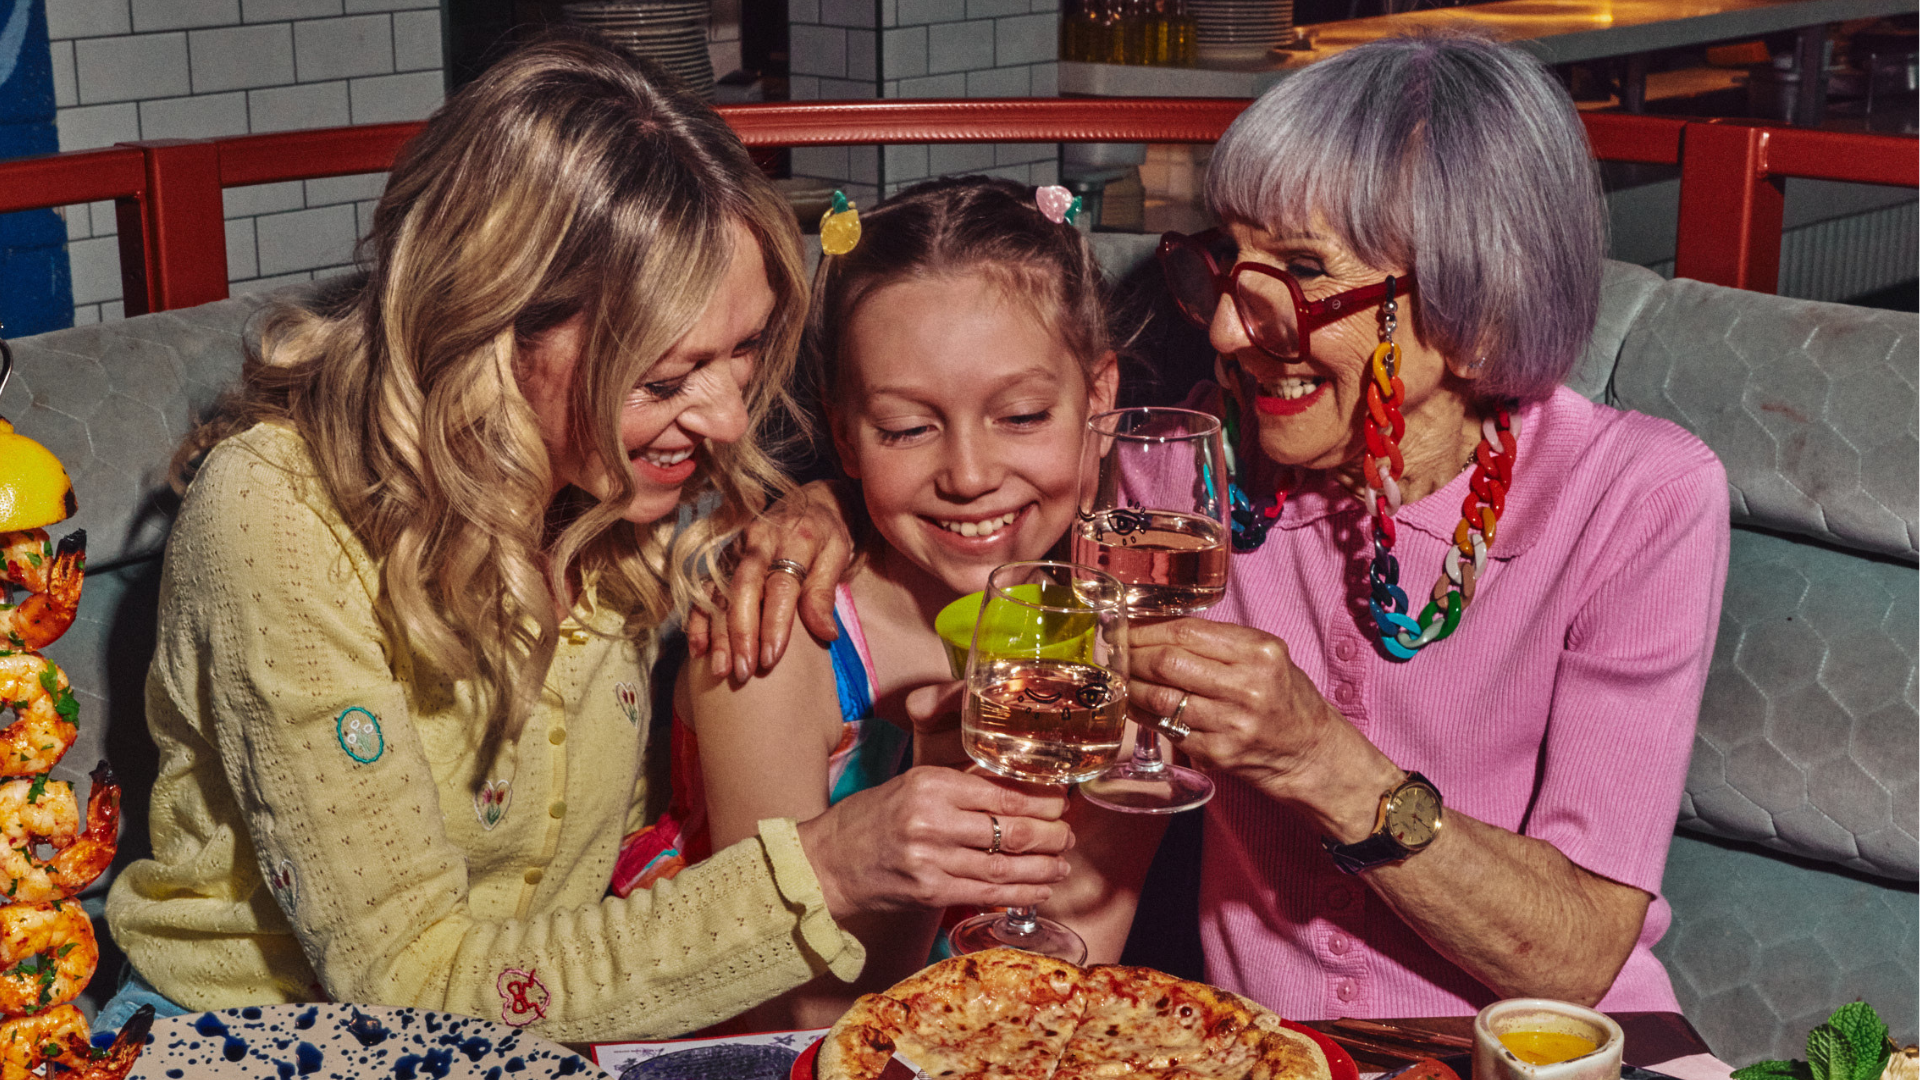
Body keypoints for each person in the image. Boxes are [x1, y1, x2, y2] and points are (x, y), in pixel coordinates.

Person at [100, 39, 1074, 1041]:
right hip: (262, 1040)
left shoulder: (628, 478)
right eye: (665, 379)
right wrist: (822, 870)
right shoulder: (277, 512)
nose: (728, 421)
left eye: (743, 354)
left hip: (559, 1047)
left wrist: (825, 503)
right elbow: (401, 979)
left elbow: (919, 445)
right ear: (493, 328)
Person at [1116, 30, 1731, 1014]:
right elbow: (984, 544)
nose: (1230, 327)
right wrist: (820, 519)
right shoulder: (1183, 468)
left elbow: (1575, 960)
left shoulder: (1641, 497)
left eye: (1306, 270)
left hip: (1553, 1055)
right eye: (1231, 259)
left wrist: (1317, 759)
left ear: (1474, 311)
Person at [662, 176, 1157, 1031]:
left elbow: (1058, 977)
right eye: (904, 428)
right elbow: (798, 1017)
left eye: (1024, 414)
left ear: (1100, 398)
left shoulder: (1112, 625)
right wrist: (937, 780)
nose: (968, 475)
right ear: (845, 430)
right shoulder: (777, 638)